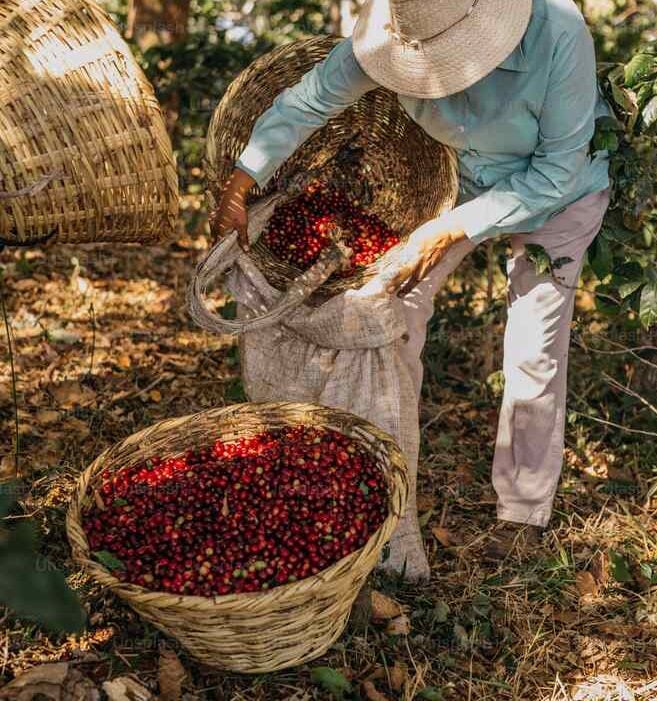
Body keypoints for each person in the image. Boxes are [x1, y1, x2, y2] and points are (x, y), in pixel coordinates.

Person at [212, 0, 611, 580]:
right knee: (392, 312)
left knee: (533, 349)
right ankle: (382, 487)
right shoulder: (390, 34)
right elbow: (310, 100)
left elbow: (557, 171)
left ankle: (523, 513)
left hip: (561, 198)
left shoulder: (558, 32)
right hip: (463, 184)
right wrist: (244, 178)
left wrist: (448, 229)